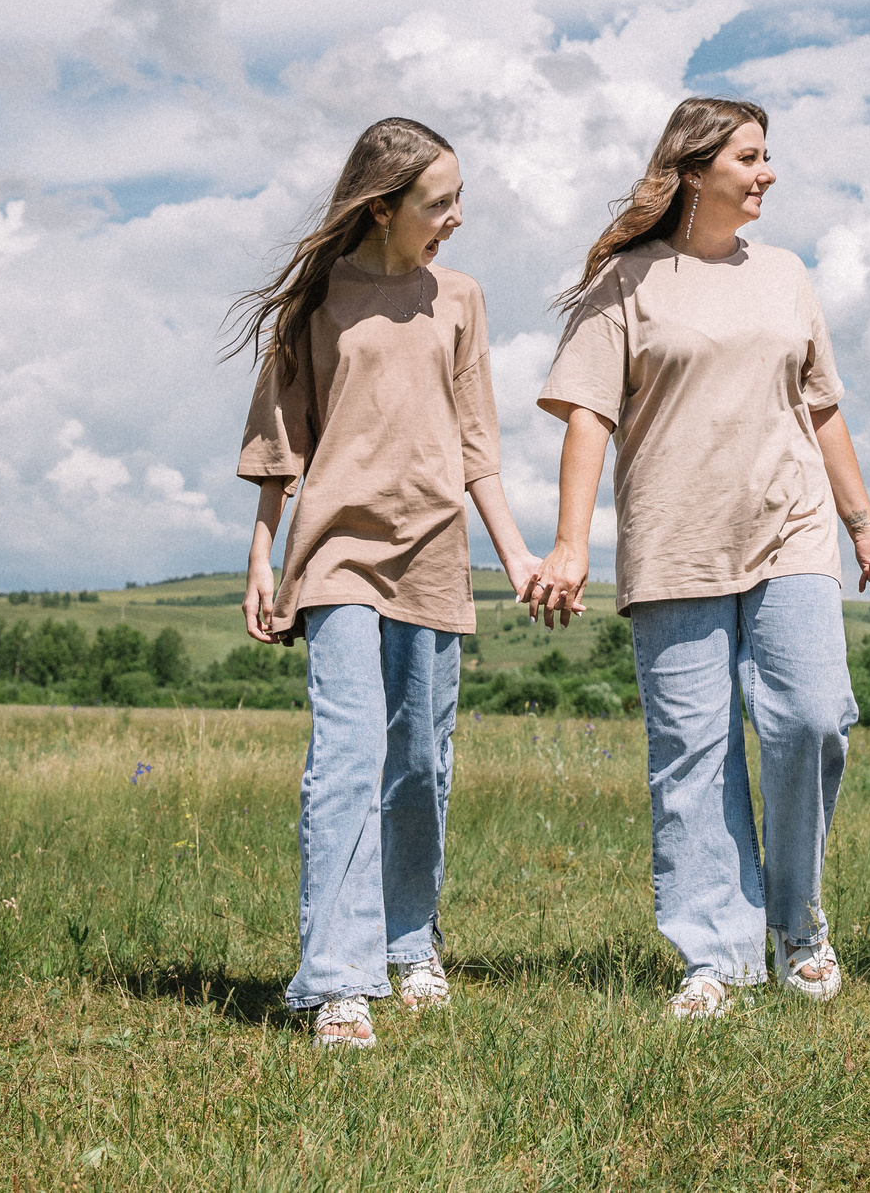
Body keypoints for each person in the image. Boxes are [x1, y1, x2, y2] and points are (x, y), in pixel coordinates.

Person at [527, 96, 870, 1020]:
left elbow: (823, 408)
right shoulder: (628, 283)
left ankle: (796, 918)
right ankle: (716, 955)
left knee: (813, 718)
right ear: (693, 170)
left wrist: (864, 528)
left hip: (790, 529)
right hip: (674, 540)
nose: (766, 173)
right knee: (693, 754)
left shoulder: (786, 276)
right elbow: (587, 417)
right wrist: (572, 543)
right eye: (750, 156)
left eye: (767, 157)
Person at [228, 117, 542, 1051]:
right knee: (348, 751)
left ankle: (410, 941)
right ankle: (337, 978)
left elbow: (478, 442)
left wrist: (516, 555)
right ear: (381, 205)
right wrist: (260, 548)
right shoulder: (319, 298)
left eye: (456, 199)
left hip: (436, 549)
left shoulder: (461, 298)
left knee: (420, 760)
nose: (454, 218)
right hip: (335, 549)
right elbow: (280, 432)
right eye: (437, 203)